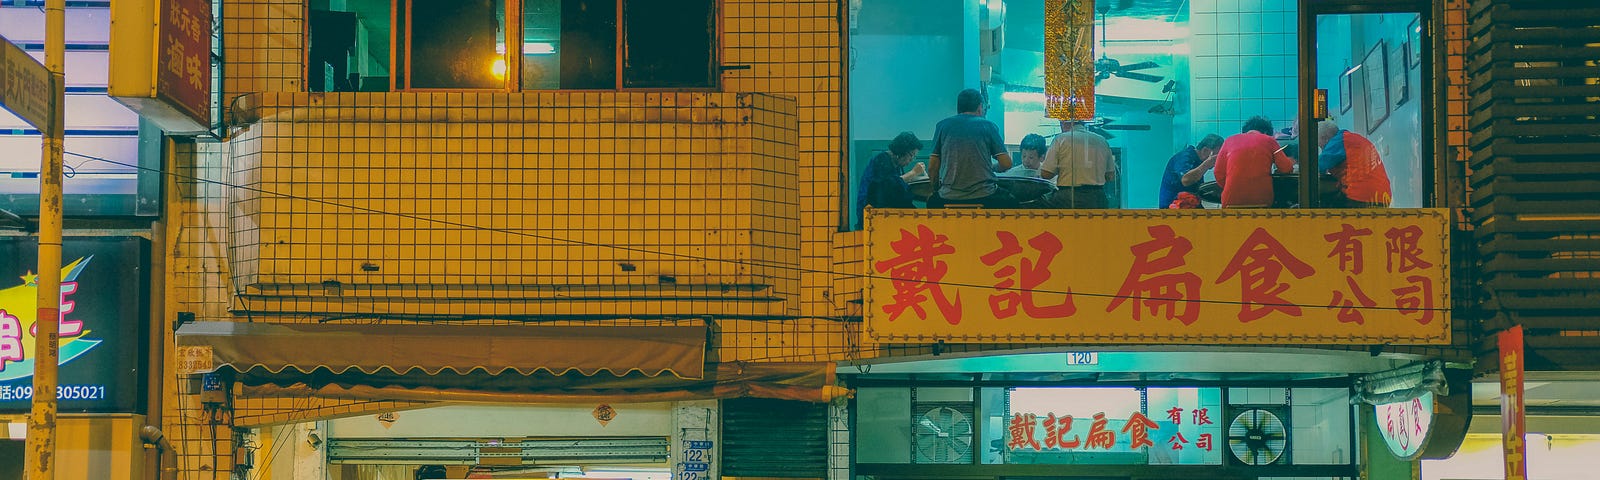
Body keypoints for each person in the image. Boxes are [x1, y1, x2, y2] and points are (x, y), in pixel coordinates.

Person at [928, 89, 1017, 208]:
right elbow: (1006, 164)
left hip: (948, 197)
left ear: (958, 108)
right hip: (986, 196)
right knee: (1013, 203)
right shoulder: (988, 126)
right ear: (980, 107)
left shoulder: (942, 126)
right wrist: (993, 167)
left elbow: (932, 167)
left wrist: (936, 190)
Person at [1213, 116, 1295, 208]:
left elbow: (1218, 173)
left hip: (1230, 200)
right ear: (1266, 133)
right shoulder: (1268, 140)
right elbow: (1286, 168)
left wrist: (1234, 186)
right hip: (1262, 199)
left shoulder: (1229, 141)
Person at [855, 131, 926, 228]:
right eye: (911, 155)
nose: (912, 160)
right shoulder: (881, 160)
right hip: (871, 214)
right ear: (902, 151)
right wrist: (913, 173)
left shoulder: (897, 165)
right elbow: (886, 188)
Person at [1038, 120, 1115, 208]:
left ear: (1065, 122)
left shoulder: (1060, 139)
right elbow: (1110, 176)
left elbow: (1046, 174)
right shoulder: (1102, 140)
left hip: (1068, 198)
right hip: (1097, 198)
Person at [1317, 120, 1393, 207]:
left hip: (1362, 196)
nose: (1322, 148)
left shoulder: (1339, 141)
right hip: (1383, 196)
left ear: (1325, 138)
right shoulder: (1352, 138)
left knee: (1324, 207)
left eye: (1320, 145)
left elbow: (1317, 165)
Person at [1157, 133, 1224, 209]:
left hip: (1188, 204)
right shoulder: (1184, 157)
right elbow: (1186, 180)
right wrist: (1207, 163)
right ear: (1205, 150)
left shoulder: (1198, 162)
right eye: (1217, 156)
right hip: (1173, 207)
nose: (1218, 161)